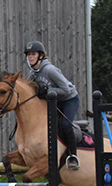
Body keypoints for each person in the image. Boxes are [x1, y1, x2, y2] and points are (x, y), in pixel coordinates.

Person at [24, 41, 80, 170]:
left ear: (41, 56)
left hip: (69, 99)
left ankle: (73, 156)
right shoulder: (32, 74)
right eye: (28, 55)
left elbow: (66, 89)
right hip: (53, 101)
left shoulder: (50, 70)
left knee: (65, 124)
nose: (30, 57)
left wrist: (48, 91)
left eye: (33, 54)